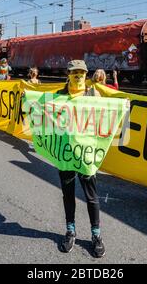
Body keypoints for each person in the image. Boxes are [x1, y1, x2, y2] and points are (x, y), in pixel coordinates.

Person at [56, 60, 105, 258]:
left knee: (91, 197)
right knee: (68, 194)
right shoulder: (59, 95)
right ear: (68, 73)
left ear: (86, 74)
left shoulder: (93, 94)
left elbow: (106, 117)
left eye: (81, 72)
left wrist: (121, 108)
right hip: (66, 155)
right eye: (74, 72)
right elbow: (45, 115)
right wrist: (29, 101)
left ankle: (96, 235)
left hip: (87, 154)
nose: (78, 75)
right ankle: (70, 230)